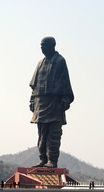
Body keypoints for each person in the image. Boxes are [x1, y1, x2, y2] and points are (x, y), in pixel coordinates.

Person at [30, 36, 74, 168]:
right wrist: (32, 100)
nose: (42, 48)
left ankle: (52, 160)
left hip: (54, 102)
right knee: (42, 134)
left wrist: (65, 99)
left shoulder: (60, 61)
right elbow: (34, 85)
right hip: (41, 102)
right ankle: (42, 159)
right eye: (41, 45)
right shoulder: (40, 63)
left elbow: (65, 81)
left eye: (44, 45)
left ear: (52, 45)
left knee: (54, 133)